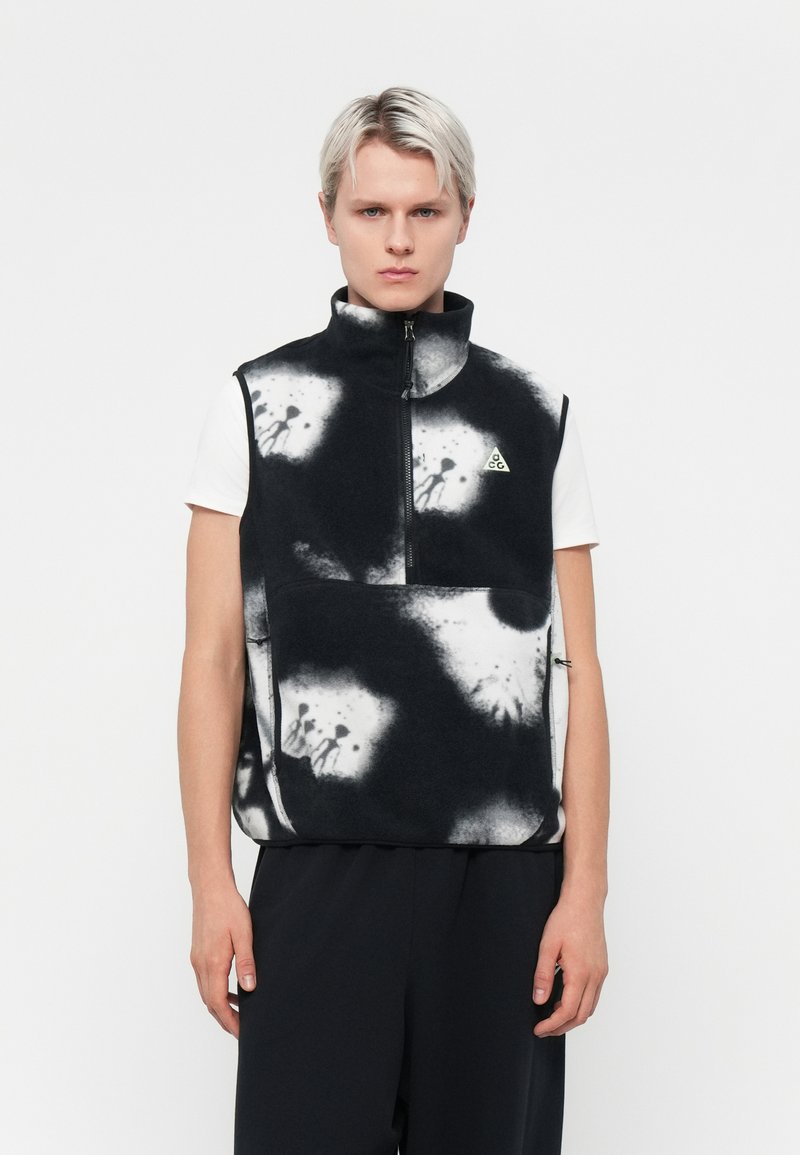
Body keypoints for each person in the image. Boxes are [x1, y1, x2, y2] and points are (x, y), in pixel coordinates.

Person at [178, 85, 610, 1155]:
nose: (400, 239)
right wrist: (209, 885)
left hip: (501, 885)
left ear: (465, 215)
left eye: (425, 211)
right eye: (372, 211)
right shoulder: (255, 404)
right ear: (328, 213)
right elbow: (212, 661)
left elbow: (578, 667)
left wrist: (585, 894)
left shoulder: (536, 417)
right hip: (318, 872)